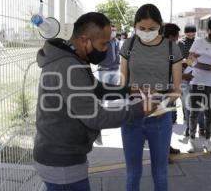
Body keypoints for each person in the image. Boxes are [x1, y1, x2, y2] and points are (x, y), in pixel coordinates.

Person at [33, 12, 154, 191]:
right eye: (103, 44)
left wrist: (128, 90)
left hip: (58, 155)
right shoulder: (69, 66)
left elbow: (96, 88)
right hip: (62, 162)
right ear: (85, 41)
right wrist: (140, 109)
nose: (106, 49)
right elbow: (96, 117)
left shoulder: (71, 59)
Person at [120, 4, 182, 191]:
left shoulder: (172, 47)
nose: (146, 32)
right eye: (142, 28)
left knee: (160, 173)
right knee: (133, 173)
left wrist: (159, 104)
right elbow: (122, 84)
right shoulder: (128, 44)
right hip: (132, 116)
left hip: (160, 118)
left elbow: (177, 90)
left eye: (152, 29)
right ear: (135, 26)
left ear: (160, 26)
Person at [187, 19, 211, 153]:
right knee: (194, 112)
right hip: (196, 81)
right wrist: (210, 67)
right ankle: (192, 139)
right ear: (207, 30)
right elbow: (191, 62)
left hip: (210, 84)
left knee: (209, 112)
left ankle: (208, 140)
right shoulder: (198, 42)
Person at [178, 25, 204, 137]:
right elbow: (177, 59)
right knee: (186, 101)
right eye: (189, 33)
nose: (191, 35)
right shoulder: (180, 43)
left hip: (198, 75)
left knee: (200, 102)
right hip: (185, 75)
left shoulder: (199, 42)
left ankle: (201, 128)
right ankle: (189, 126)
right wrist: (186, 61)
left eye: (193, 33)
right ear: (185, 33)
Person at [163, 23, 182, 162]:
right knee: (164, 123)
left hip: (169, 90)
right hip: (163, 91)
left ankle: (166, 148)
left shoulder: (169, 48)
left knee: (169, 122)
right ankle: (163, 153)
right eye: (176, 37)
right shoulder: (164, 49)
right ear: (171, 36)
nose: (176, 40)